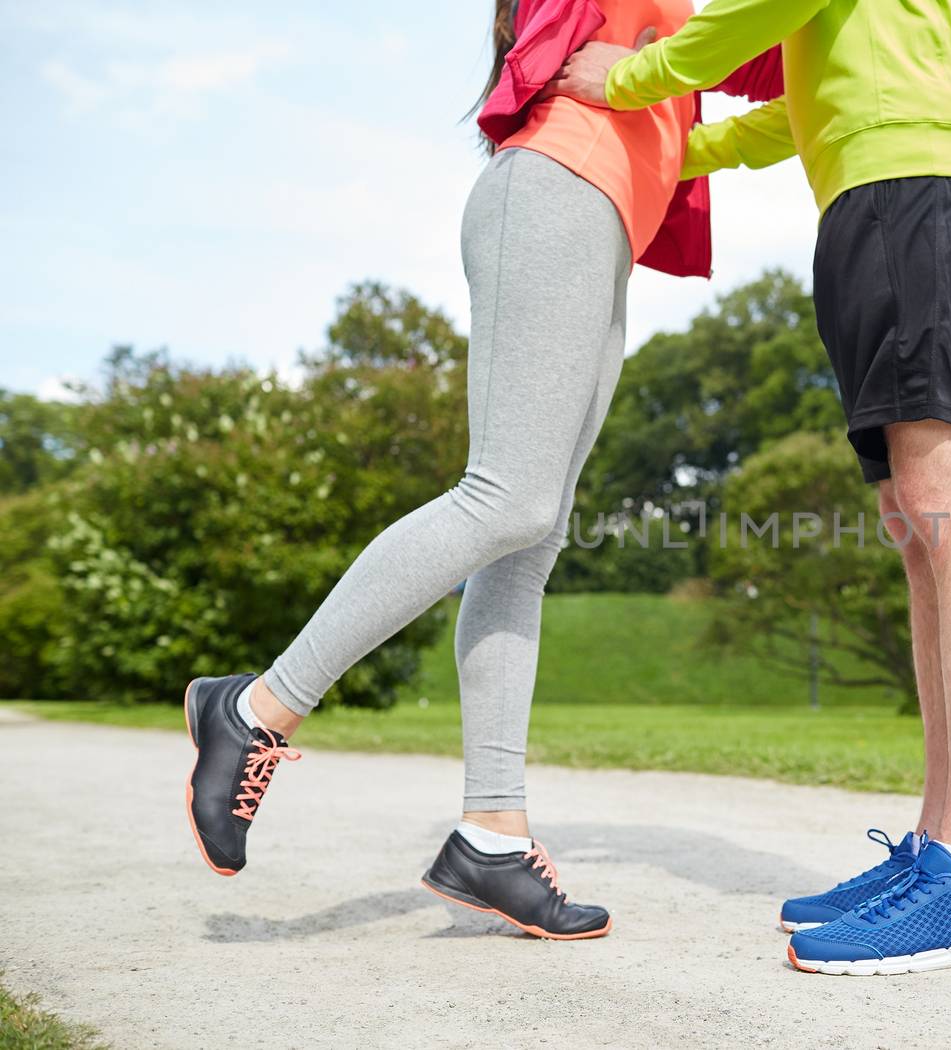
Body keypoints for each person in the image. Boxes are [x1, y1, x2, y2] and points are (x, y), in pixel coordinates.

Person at [181, 0, 777, 942]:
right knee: (506, 496)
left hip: (603, 220)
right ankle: (255, 707)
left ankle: (491, 837)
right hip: (555, 190)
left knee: (529, 541)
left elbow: (762, 59)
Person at [547, 0, 951, 976]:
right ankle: (943, 850)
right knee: (916, 513)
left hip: (916, 175)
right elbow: (805, 100)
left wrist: (635, 79)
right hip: (877, 177)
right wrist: (688, 154)